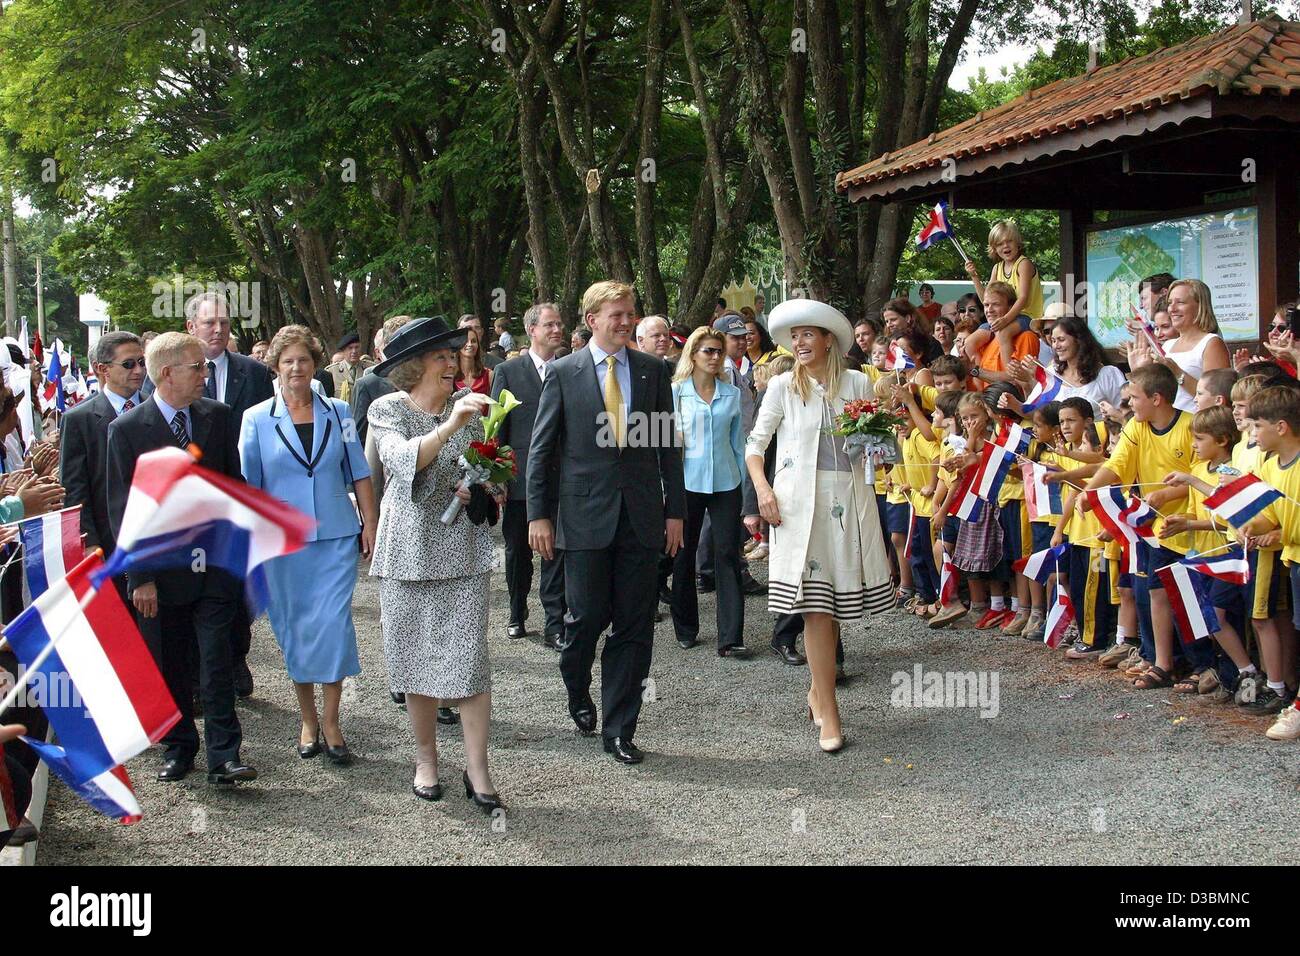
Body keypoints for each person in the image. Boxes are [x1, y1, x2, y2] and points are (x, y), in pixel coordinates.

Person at [527, 280, 685, 766]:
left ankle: (620, 728)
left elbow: (667, 445)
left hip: (640, 519)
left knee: (635, 627)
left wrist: (674, 510)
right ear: (592, 320)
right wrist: (539, 515)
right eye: (615, 314)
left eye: (630, 313)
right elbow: (542, 449)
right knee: (586, 619)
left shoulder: (653, 370)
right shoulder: (563, 373)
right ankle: (577, 685)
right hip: (582, 518)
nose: (625, 321)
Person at [107, 331, 256, 785]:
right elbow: (123, 508)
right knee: (170, 663)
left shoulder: (217, 417)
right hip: (162, 571)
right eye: (197, 367)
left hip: (213, 567)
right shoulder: (128, 430)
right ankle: (178, 747)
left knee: (216, 662)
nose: (205, 374)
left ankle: (224, 756)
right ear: (167, 373)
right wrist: (140, 577)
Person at [746, 299, 895, 753]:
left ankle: (817, 688)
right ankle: (829, 707)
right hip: (796, 506)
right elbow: (756, 446)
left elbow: (881, 446)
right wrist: (763, 490)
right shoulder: (781, 388)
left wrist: (879, 445)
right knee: (814, 606)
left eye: (808, 334)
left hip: (848, 503)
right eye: (795, 337)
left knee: (833, 608)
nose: (800, 343)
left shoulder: (857, 382)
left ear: (829, 339)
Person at [368, 317, 504, 811]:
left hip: (463, 555)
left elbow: (496, 477)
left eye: (454, 355)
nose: (454, 362)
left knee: (468, 665)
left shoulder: (472, 406)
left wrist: (485, 490)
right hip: (407, 554)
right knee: (414, 662)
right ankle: (426, 760)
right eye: (442, 356)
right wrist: (452, 425)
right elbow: (402, 460)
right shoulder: (388, 408)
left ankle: (478, 769)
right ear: (415, 366)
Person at [240, 325, 376, 765]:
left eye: (303, 360)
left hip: (336, 535)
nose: (296, 368)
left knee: (333, 624)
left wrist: (370, 524)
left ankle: (333, 722)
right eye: (287, 361)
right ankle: (307, 718)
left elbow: (359, 471)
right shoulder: (256, 418)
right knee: (294, 628)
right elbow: (250, 487)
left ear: (316, 364)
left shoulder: (338, 412)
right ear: (275, 369)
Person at [179, 291, 275, 700]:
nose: (218, 329)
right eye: (208, 323)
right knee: (193, 585)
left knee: (239, 582)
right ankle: (201, 670)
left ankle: (237, 658)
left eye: (224, 322)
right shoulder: (170, 371)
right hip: (191, 501)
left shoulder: (251, 373)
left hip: (242, 493)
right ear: (191, 328)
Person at [492, 303, 568, 649]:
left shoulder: (569, 368)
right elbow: (497, 428)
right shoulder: (509, 371)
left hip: (562, 479)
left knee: (555, 551)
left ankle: (555, 621)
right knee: (518, 552)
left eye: (560, 324)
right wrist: (499, 478)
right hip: (520, 478)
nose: (558, 330)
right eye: (550, 325)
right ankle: (516, 611)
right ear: (532, 330)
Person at [670, 327, 748, 657]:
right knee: (683, 555)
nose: (716, 357)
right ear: (693, 355)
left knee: (728, 555)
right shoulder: (675, 392)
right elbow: (664, 443)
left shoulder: (731, 394)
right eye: (708, 351)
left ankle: (730, 637)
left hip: (726, 482)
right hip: (686, 483)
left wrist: (747, 491)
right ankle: (686, 627)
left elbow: (738, 444)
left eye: (719, 351)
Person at [60, 331, 146, 578]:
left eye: (141, 362)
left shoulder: (158, 409)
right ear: (102, 369)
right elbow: (75, 488)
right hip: (107, 541)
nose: (138, 370)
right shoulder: (79, 419)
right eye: (128, 364)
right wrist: (88, 541)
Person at [1131, 279, 1230, 413]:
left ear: (1200, 306)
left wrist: (1177, 372)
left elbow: (1217, 399)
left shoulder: (1211, 343)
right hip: (1169, 428)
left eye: (1180, 302)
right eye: (1170, 303)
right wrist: (1139, 369)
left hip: (1199, 426)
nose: (1172, 308)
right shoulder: (1168, 346)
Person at [963, 219, 1043, 332]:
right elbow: (985, 300)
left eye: (1009, 241)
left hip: (1027, 317)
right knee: (972, 340)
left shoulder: (1023, 264)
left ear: (1017, 243)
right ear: (994, 248)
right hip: (1003, 318)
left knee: (1003, 332)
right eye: (1000, 243)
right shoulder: (997, 268)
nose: (1005, 246)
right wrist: (974, 276)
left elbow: (1023, 298)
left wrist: (1005, 320)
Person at [882, 298, 943, 362]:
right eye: (887, 321)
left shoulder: (930, 343)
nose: (889, 325)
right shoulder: (886, 344)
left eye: (893, 320)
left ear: (907, 318)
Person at [324, 333, 376, 403]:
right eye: (350, 348)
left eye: (357, 347)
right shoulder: (332, 371)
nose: (354, 351)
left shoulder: (371, 368)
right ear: (343, 351)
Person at [455, 324, 493, 395]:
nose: (470, 344)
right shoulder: (450, 376)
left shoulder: (488, 375)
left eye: (473, 341)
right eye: (465, 341)